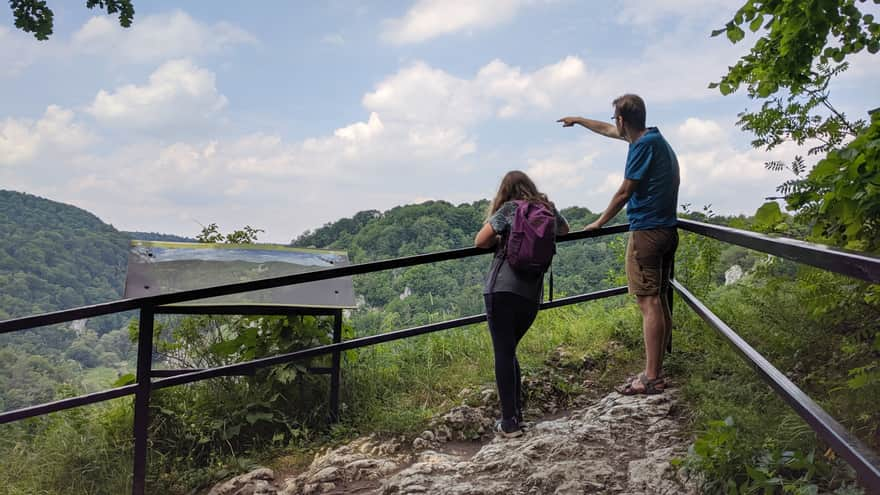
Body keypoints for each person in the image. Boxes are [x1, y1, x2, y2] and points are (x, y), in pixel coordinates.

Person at [557, 94, 680, 395]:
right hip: (666, 229)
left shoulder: (641, 146)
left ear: (623, 120)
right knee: (659, 298)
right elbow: (607, 130)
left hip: (647, 233)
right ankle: (658, 369)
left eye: (616, 119)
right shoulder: (654, 139)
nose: (614, 125)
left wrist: (599, 222)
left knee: (648, 302)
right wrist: (579, 119)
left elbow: (625, 191)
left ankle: (652, 377)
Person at [474, 170, 569, 437]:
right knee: (509, 350)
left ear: (505, 190)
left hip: (501, 291)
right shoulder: (547, 208)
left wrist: (503, 236)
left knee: (503, 353)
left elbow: (480, 241)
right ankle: (515, 416)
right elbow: (565, 229)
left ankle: (510, 423)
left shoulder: (509, 209)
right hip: (530, 295)